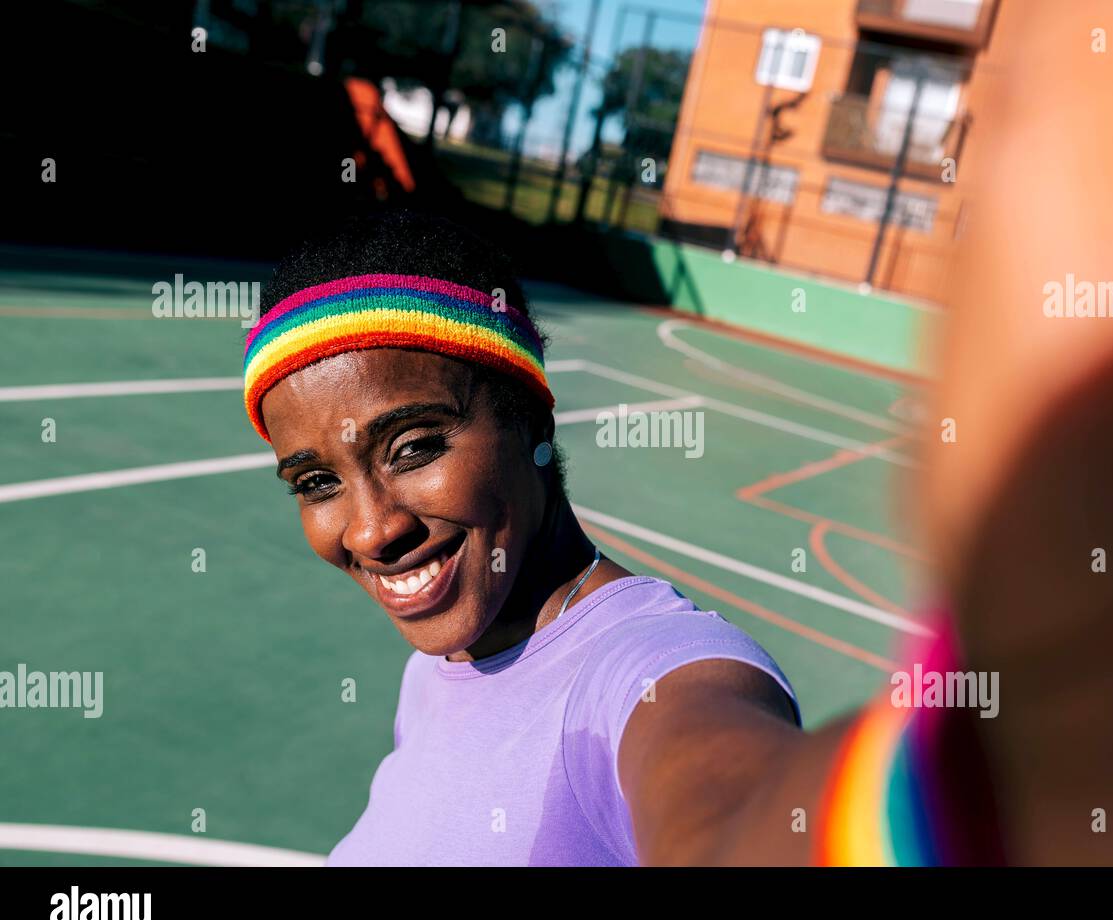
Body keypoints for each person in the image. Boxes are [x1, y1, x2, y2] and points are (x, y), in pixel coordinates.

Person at [241, 210, 802, 866]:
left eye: (416, 447)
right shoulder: (436, 667)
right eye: (315, 483)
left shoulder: (648, 673)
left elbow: (726, 790)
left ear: (532, 420)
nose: (371, 529)